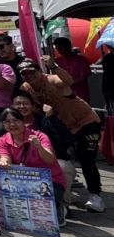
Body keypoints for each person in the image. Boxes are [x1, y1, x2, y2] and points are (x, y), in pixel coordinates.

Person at [20, 59, 104, 212]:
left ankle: (95, 194)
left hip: (86, 121)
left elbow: (68, 81)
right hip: (61, 127)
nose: (29, 76)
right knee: (58, 157)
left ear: (39, 71)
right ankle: (65, 193)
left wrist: (53, 66)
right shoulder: (25, 88)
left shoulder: (51, 80)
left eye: (31, 72)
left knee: (85, 158)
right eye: (24, 73)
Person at [0, 108, 67, 224]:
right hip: (23, 181)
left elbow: (50, 160)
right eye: (7, 121)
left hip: (50, 181)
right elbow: (5, 157)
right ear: (3, 124)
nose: (12, 124)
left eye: (16, 120)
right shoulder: (3, 140)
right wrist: (3, 161)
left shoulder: (40, 136)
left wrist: (39, 147)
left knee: (37, 195)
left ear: (23, 121)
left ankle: (58, 207)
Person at [9, 90, 77, 208]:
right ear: (12, 107)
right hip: (21, 167)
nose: (21, 107)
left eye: (25, 103)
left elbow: (67, 139)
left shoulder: (44, 120)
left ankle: (62, 204)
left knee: (63, 167)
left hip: (48, 164)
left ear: (33, 106)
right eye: (18, 104)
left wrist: (52, 118)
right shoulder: (6, 125)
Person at [52, 37, 94, 106]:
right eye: (58, 49)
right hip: (64, 96)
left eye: (61, 48)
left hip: (80, 94)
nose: (59, 51)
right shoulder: (57, 61)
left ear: (68, 47)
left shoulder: (81, 60)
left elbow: (83, 77)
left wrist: (69, 84)